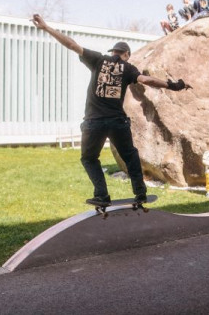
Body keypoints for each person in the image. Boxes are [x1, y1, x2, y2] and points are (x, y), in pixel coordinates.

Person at [31, 14, 190, 206]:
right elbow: (146, 80)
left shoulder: (98, 60)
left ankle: (102, 196)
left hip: (93, 122)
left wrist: (47, 28)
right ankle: (140, 193)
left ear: (113, 52)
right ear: (126, 54)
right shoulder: (128, 68)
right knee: (130, 156)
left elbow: (72, 45)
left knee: (89, 159)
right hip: (117, 122)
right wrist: (173, 85)